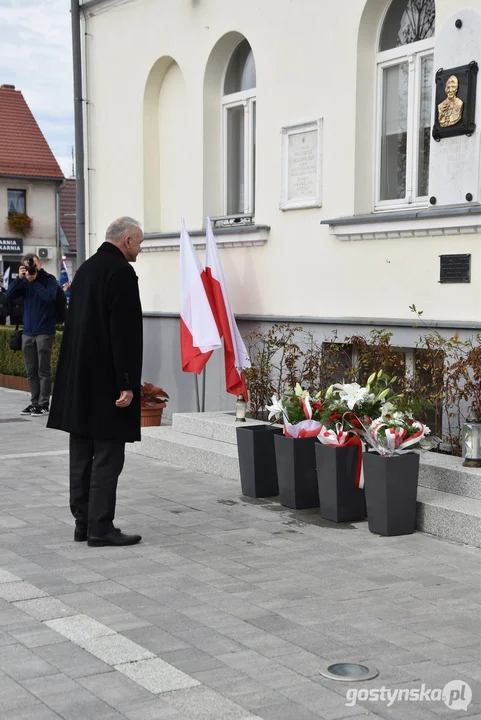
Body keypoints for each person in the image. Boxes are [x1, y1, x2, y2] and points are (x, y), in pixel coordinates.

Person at [47, 217, 144, 547]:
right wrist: (127, 382)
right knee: (107, 455)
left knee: (81, 451)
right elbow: (123, 333)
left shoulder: (85, 270)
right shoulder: (121, 273)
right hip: (108, 382)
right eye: (140, 243)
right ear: (127, 240)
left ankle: (82, 522)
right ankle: (100, 527)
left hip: (81, 380)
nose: (140, 250)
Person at [6, 253, 57, 416]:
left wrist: (34, 282)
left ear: (40, 264)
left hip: (44, 332)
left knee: (43, 370)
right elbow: (8, 296)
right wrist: (20, 279)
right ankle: (34, 403)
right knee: (30, 370)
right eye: (28, 266)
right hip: (27, 332)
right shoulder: (25, 281)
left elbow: (49, 298)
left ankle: (44, 404)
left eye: (33, 265)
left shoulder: (48, 279)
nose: (31, 268)